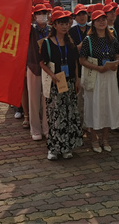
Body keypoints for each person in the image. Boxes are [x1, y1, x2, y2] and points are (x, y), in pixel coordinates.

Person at [39, 9, 83, 160]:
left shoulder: (70, 43)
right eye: (61, 24)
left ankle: (67, 147)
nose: (65, 27)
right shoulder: (47, 43)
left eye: (66, 24)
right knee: (55, 115)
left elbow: (75, 62)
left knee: (69, 115)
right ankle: (54, 148)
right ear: (55, 25)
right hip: (55, 83)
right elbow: (42, 62)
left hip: (69, 82)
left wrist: (77, 79)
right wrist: (51, 75)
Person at [79, 10, 119, 153]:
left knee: (108, 105)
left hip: (109, 76)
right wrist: (97, 68)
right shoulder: (88, 40)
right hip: (95, 76)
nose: (102, 22)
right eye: (98, 20)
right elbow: (82, 60)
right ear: (93, 23)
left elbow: (117, 55)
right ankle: (94, 138)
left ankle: (105, 138)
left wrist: (116, 63)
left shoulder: (112, 39)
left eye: (103, 19)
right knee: (93, 106)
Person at [26, 3, 50, 140]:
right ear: (34, 16)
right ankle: (35, 129)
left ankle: (47, 128)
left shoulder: (51, 29)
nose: (42, 16)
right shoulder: (31, 29)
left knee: (47, 99)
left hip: (48, 68)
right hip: (34, 66)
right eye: (39, 13)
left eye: (44, 13)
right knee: (34, 100)